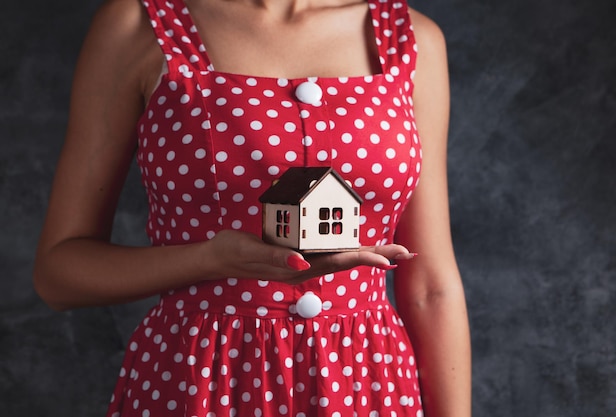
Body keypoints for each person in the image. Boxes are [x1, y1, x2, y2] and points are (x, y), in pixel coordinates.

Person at [33, 0, 471, 415]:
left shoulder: (411, 38)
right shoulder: (137, 25)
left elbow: (431, 286)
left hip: (366, 381)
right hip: (198, 379)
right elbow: (59, 275)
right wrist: (207, 260)